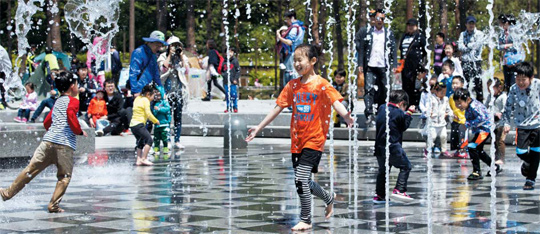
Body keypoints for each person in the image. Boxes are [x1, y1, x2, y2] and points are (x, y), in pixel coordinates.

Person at [245, 44, 353, 231]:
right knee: (302, 181)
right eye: (294, 60)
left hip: (315, 139)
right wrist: (258, 128)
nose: (296, 63)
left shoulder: (321, 84)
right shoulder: (293, 86)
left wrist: (346, 116)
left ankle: (306, 219)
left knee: (302, 178)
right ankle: (327, 197)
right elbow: (277, 108)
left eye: (300, 60)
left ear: (312, 61)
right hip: (297, 140)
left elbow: (335, 101)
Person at [0, 71, 87, 213]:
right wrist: (78, 131)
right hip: (64, 144)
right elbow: (71, 117)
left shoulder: (58, 101)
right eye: (77, 84)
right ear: (72, 87)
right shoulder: (73, 101)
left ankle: (7, 193)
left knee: (30, 170)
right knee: (64, 177)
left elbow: (47, 122)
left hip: (47, 142)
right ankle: (53, 205)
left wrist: (52, 131)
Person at [373, 90, 416, 204]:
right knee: (406, 166)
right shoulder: (398, 112)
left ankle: (380, 195)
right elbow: (404, 126)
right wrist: (409, 113)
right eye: (405, 107)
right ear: (402, 103)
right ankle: (399, 190)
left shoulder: (382, 108)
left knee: (383, 170)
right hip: (393, 146)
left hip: (379, 146)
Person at [502, 62, 539, 190]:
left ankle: (530, 180)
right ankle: (529, 163)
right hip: (522, 125)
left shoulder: (538, 85)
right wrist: (506, 123)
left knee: (536, 151)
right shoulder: (513, 89)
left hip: (537, 124)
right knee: (521, 151)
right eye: (518, 79)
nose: (520, 83)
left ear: (531, 78)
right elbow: (508, 107)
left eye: (524, 80)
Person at [357, 9, 397, 126]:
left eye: (382, 19)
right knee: (368, 89)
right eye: (378, 18)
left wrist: (394, 64)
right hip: (370, 65)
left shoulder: (389, 33)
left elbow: (393, 49)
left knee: (385, 90)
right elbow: (362, 49)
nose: (379, 21)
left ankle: (382, 112)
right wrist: (360, 64)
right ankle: (369, 114)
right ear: (374, 19)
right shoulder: (368, 32)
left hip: (383, 66)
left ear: (384, 20)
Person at [454, 88, 502, 180]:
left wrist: (468, 123)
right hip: (481, 130)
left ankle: (477, 171)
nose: (458, 106)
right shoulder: (469, 105)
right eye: (456, 104)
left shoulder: (474, 106)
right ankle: (494, 167)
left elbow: (483, 118)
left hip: (485, 130)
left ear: (467, 99)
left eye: (459, 103)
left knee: (472, 146)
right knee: (478, 150)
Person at [157, 36, 190, 149]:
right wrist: (170, 55)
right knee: (167, 117)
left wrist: (180, 56)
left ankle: (177, 140)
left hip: (179, 91)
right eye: (173, 45)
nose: (176, 47)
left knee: (178, 117)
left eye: (177, 45)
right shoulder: (163, 56)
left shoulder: (182, 57)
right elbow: (163, 69)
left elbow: (186, 71)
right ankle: (167, 140)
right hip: (167, 91)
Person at [129, 31, 167, 96]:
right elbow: (133, 73)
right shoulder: (138, 52)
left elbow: (156, 75)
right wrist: (135, 91)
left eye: (160, 46)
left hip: (149, 91)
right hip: (139, 90)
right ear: (150, 42)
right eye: (157, 45)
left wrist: (161, 90)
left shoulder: (153, 55)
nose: (159, 48)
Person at [399, 18, 427, 107]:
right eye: (409, 25)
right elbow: (401, 48)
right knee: (406, 85)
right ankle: (407, 104)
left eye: (412, 25)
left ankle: (415, 104)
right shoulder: (404, 36)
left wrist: (422, 64)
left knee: (415, 85)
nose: (410, 27)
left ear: (416, 27)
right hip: (405, 65)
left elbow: (425, 50)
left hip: (415, 65)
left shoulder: (420, 37)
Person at [130, 84, 160, 166]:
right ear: (148, 94)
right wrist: (155, 120)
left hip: (133, 125)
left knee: (141, 141)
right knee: (149, 140)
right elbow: (148, 114)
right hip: (139, 124)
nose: (153, 97)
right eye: (153, 95)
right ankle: (144, 158)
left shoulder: (137, 99)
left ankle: (138, 159)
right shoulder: (145, 100)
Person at [458, 15, 485, 102]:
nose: (471, 25)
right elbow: (460, 47)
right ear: (466, 24)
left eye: (473, 23)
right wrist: (468, 47)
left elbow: (477, 46)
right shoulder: (462, 34)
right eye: (469, 23)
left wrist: (467, 46)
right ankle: (466, 101)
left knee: (478, 84)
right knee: (466, 83)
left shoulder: (479, 34)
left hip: (476, 61)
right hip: (465, 61)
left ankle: (480, 102)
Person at [276, 11, 305, 88]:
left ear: (292, 18)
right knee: (297, 73)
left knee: (290, 74)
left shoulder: (294, 28)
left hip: (292, 55)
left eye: (287, 19)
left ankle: (290, 95)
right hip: (299, 53)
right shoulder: (301, 27)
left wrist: (279, 37)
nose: (287, 22)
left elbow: (289, 42)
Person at [425, 81, 453, 157]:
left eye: (445, 92)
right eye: (441, 92)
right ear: (436, 91)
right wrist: (429, 112)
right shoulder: (431, 99)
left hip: (442, 123)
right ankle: (427, 149)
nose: (443, 94)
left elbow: (448, 109)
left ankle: (444, 150)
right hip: (433, 123)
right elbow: (427, 108)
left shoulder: (446, 99)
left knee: (444, 136)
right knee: (432, 137)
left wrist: (451, 114)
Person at [485, 78, 507, 165]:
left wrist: (500, 113)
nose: (489, 90)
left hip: (501, 122)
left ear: (499, 87)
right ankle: (495, 157)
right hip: (492, 122)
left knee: (500, 141)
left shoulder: (503, 96)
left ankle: (501, 158)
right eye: (488, 88)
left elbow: (505, 107)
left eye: (492, 87)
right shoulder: (490, 96)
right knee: (493, 140)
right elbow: (485, 106)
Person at [497, 14, 518, 91]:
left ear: (507, 23)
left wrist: (505, 46)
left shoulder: (515, 32)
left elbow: (516, 45)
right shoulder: (502, 34)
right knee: (508, 85)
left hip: (515, 62)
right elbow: (498, 46)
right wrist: (508, 45)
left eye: (501, 23)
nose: (500, 25)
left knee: (514, 84)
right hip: (506, 62)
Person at [449, 76, 468, 158]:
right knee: (454, 136)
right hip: (455, 120)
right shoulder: (451, 97)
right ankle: (457, 150)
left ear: (462, 84)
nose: (454, 85)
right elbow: (450, 108)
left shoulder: (464, 96)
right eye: (453, 83)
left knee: (462, 136)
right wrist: (451, 114)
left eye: (456, 83)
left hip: (463, 121)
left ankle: (463, 150)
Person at [151, 87, 171, 158]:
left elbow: (167, 109)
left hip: (164, 123)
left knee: (164, 137)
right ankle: (156, 147)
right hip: (157, 124)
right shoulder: (155, 103)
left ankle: (165, 147)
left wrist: (159, 109)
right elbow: (153, 112)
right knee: (156, 137)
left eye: (159, 95)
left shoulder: (164, 102)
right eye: (157, 95)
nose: (158, 97)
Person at [223, 47, 241, 113]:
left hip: (233, 81)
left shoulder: (235, 61)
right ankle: (228, 107)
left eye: (231, 52)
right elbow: (222, 70)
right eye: (228, 52)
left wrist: (236, 79)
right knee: (227, 95)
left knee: (233, 94)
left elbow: (238, 71)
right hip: (226, 81)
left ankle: (235, 107)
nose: (229, 53)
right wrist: (223, 75)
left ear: (233, 53)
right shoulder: (224, 61)